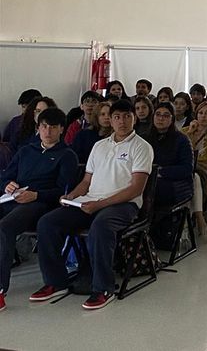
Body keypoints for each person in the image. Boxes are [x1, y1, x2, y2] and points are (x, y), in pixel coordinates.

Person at [33, 99, 153, 310]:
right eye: (117, 117)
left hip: (124, 204)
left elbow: (136, 189)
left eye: (127, 116)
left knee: (101, 226)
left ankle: (103, 288)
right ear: (110, 120)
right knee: (47, 223)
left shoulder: (142, 147)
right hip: (90, 200)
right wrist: (70, 196)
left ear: (134, 118)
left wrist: (100, 204)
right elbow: (87, 182)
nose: (122, 121)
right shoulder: (99, 146)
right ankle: (55, 282)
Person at [0, 108, 78, 312]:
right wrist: (7, 183)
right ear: (38, 128)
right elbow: (5, 176)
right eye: (44, 126)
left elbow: (64, 191)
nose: (48, 131)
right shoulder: (27, 150)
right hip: (13, 197)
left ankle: (0, 289)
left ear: (62, 129)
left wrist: (37, 195)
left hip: (40, 203)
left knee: (4, 227)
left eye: (53, 127)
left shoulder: (66, 155)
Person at [182, 102, 207, 240]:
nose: (203, 116)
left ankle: (188, 225)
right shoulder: (185, 131)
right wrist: (190, 134)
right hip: (186, 168)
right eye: (200, 113)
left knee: (194, 178)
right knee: (192, 178)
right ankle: (199, 222)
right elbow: (181, 151)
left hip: (203, 169)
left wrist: (191, 158)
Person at [141, 102, 194, 207]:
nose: (161, 118)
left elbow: (187, 168)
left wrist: (160, 172)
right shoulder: (144, 138)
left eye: (166, 115)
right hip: (147, 178)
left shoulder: (181, 140)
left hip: (175, 182)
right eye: (158, 114)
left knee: (155, 189)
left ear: (172, 118)